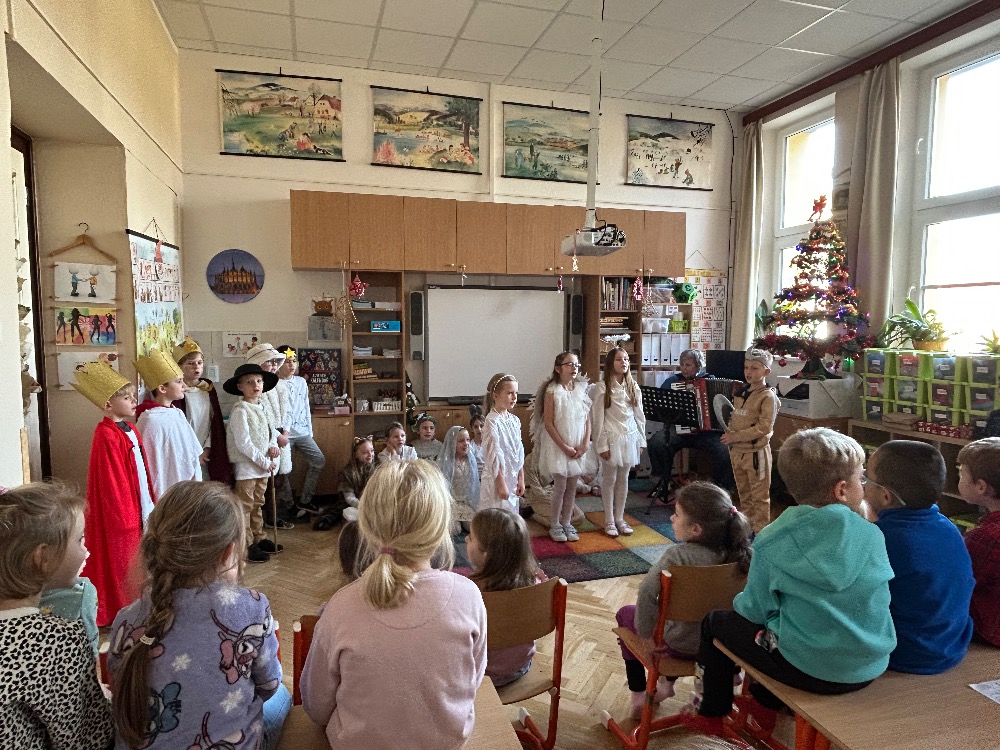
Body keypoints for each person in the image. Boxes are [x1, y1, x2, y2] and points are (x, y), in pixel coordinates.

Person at [691, 428, 895, 739]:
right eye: (861, 478)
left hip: (808, 669)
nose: (864, 485)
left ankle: (711, 713)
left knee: (715, 622)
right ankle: (764, 703)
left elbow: (752, 611)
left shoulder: (771, 540)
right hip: (869, 665)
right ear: (842, 490)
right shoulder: (872, 534)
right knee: (785, 626)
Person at [300, 461, 487, 750]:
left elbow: (315, 706)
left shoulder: (340, 607)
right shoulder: (469, 596)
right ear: (441, 528)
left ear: (368, 526)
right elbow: (471, 681)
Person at [109, 481, 289, 750]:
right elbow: (268, 685)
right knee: (282, 697)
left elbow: (118, 679)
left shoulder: (126, 620)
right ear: (228, 553)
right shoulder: (251, 607)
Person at [616, 482, 752, 720]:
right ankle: (725, 673)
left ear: (696, 529)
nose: (671, 518)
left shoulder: (677, 556)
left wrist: (646, 637)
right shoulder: (743, 554)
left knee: (626, 614)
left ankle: (639, 694)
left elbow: (647, 592)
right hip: (723, 646)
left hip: (679, 646)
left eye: (677, 514)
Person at [0, 482, 114, 749]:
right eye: (80, 540)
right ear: (44, 557)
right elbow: (88, 737)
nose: (86, 550)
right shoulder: (59, 640)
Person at [864, 440, 974, 672]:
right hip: (952, 645)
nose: (863, 483)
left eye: (867, 479)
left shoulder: (881, 538)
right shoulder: (948, 526)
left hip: (906, 653)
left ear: (885, 496)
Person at [71, 360, 156, 626]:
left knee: (139, 557)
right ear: (108, 404)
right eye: (127, 398)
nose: (134, 402)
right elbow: (111, 480)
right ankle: (123, 607)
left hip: (139, 502)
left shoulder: (131, 429)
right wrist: (124, 514)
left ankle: (140, 602)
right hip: (122, 510)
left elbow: (142, 469)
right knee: (122, 559)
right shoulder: (105, 434)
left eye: (133, 396)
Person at [467, 507, 547, 686]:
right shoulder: (537, 583)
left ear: (486, 555)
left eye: (471, 537)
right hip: (521, 666)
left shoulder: (469, 591)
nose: (466, 539)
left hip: (479, 675)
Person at [646, 349, 734, 496]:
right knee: (657, 442)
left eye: (688, 365)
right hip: (678, 430)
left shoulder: (710, 379)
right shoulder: (672, 381)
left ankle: (722, 489)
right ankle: (661, 481)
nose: (684, 368)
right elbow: (659, 406)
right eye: (682, 365)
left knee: (724, 449)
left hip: (706, 433)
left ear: (698, 366)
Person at [531, 352, 592, 542]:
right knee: (560, 485)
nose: (574, 368)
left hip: (577, 445)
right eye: (569, 364)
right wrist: (564, 447)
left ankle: (567, 522)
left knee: (572, 485)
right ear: (558, 368)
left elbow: (587, 420)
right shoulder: (552, 391)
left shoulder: (581, 389)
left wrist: (584, 444)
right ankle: (555, 523)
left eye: (576, 365)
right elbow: (548, 423)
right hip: (559, 445)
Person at [225, 362, 281, 563]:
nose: (255, 385)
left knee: (259, 503)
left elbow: (270, 433)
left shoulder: (263, 407)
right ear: (240, 387)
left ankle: (259, 536)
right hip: (248, 467)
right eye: (249, 382)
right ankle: (247, 544)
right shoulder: (240, 410)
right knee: (246, 506)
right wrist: (264, 462)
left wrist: (273, 446)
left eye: (259, 381)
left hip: (263, 466)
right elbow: (244, 443)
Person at [721, 348, 779, 532]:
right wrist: (730, 435)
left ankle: (761, 533)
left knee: (759, 497)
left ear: (766, 372)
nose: (748, 372)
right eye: (746, 367)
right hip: (737, 451)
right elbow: (736, 418)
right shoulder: (740, 393)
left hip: (756, 454)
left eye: (754, 368)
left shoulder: (768, 396)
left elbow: (764, 427)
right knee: (744, 495)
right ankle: (746, 529)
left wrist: (735, 436)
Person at [592, 347, 646, 537]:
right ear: (610, 363)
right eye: (619, 359)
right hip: (611, 438)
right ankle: (609, 520)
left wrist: (641, 440)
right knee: (609, 479)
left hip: (629, 438)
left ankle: (620, 518)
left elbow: (639, 416)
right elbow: (598, 419)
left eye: (626, 359)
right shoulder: (603, 387)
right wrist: (601, 444)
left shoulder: (633, 386)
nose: (624, 362)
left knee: (624, 478)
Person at [135, 348, 203, 498]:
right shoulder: (150, 420)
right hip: (163, 489)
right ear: (162, 388)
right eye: (179, 381)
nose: (184, 385)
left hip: (183, 486)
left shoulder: (177, 413)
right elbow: (149, 462)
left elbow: (191, 452)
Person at [247, 344, 298, 522]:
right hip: (266, 439)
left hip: (282, 437)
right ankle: (268, 517)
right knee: (267, 480)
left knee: (280, 477)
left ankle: (277, 514)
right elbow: (263, 419)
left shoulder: (280, 385)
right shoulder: (255, 389)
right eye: (270, 362)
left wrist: (286, 432)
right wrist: (277, 436)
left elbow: (288, 412)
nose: (274, 365)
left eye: (276, 362)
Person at [172, 336, 232, 485]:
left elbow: (214, 422)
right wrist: (193, 451)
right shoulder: (177, 392)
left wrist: (207, 448)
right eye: (190, 363)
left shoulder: (207, 387)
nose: (196, 367)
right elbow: (179, 426)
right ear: (179, 366)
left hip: (206, 446)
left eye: (199, 363)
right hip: (186, 448)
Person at [958, 437, 1000, 646]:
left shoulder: (987, 537)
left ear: (981, 486)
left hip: (990, 629)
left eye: (961, 474)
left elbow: (961, 581)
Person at [276, 345, 327, 517]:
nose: (291, 365)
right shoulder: (274, 384)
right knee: (284, 470)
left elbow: (306, 406)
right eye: (287, 362)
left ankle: (306, 499)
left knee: (318, 460)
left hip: (303, 432)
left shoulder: (301, 382)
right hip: (284, 435)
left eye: (293, 361)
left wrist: (309, 433)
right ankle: (289, 504)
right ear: (279, 363)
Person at [480, 373, 525, 514]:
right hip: (496, 479)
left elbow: (519, 452)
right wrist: (500, 483)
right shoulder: (492, 421)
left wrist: (521, 478)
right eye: (510, 393)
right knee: (497, 515)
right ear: (495, 396)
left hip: (512, 477)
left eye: (516, 393)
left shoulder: (515, 420)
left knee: (511, 515)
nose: (514, 397)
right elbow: (492, 456)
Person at [439, 425, 481, 533]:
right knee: (455, 529)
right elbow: (442, 488)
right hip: (451, 503)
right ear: (452, 443)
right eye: (461, 441)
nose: (466, 443)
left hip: (466, 503)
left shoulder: (470, 460)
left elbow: (474, 485)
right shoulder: (446, 462)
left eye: (467, 440)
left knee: (474, 529)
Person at [339, 436, 376, 524]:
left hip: (372, 503)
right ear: (355, 454)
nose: (370, 455)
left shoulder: (376, 468)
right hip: (356, 504)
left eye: (372, 451)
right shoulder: (347, 472)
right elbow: (349, 497)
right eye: (365, 452)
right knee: (350, 513)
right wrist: (363, 506)